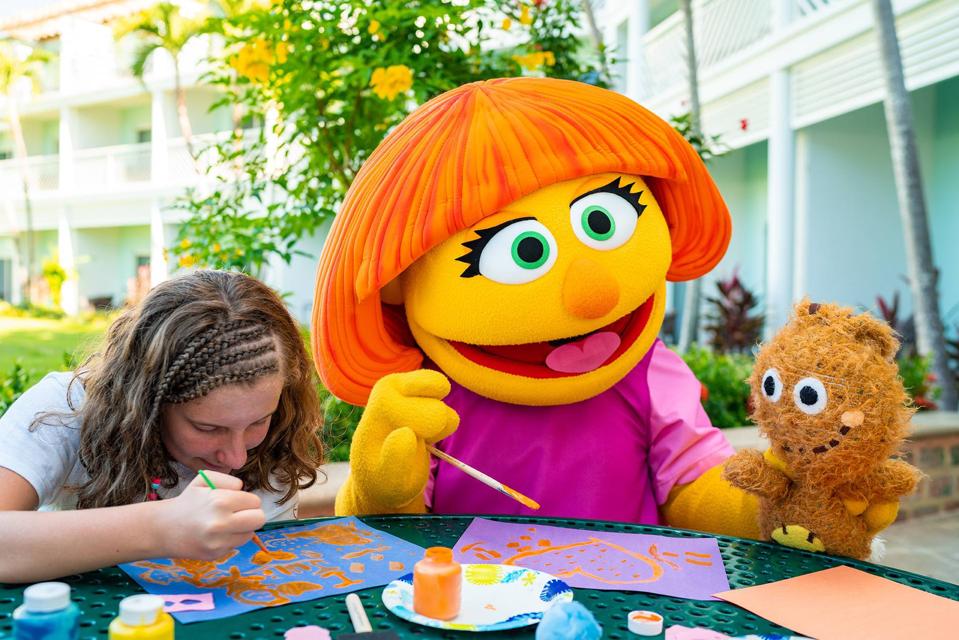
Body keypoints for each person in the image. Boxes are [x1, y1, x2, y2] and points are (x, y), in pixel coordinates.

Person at [312, 78, 908, 552]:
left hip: (631, 599)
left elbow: (691, 482)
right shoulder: (429, 395)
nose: (590, 292)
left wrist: (773, 503)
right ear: (400, 283)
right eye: (523, 251)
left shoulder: (649, 369)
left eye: (603, 221)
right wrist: (378, 489)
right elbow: (386, 535)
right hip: (473, 606)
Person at [0, 270, 324, 582]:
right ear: (147, 400)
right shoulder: (64, 409)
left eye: (258, 421)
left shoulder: (277, 436)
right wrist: (161, 527)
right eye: (207, 428)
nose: (237, 458)